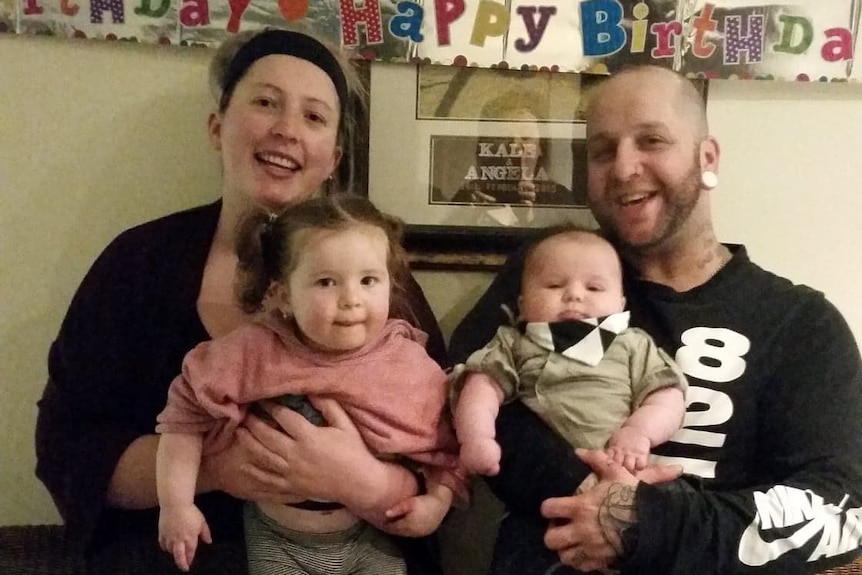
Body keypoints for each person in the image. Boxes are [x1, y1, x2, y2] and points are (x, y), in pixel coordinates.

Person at [35, 28, 446, 575]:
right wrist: (215, 467)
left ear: (333, 159)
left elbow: (439, 441)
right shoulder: (136, 265)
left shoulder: (379, 283)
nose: (286, 129)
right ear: (216, 126)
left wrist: (365, 481)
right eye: (266, 102)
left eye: (314, 117)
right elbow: (67, 450)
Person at [448, 64, 862, 575]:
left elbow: (838, 508)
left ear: (707, 157)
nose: (623, 169)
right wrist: (589, 493)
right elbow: (460, 385)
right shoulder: (550, 281)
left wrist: (648, 522)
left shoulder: (801, 324)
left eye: (651, 140)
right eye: (603, 151)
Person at [156, 196, 465, 574]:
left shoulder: (406, 363)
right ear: (284, 294)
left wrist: (435, 503)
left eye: (369, 280)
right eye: (325, 282)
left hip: (368, 539)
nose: (351, 299)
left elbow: (447, 445)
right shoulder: (254, 351)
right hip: (275, 540)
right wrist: (177, 505)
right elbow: (183, 418)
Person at [452, 226, 686, 480]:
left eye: (594, 288)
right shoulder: (513, 342)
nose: (574, 295)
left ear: (620, 304)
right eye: (553, 285)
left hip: (621, 468)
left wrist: (639, 431)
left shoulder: (633, 343)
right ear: (522, 305)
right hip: (539, 481)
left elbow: (668, 395)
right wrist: (477, 437)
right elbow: (480, 388)